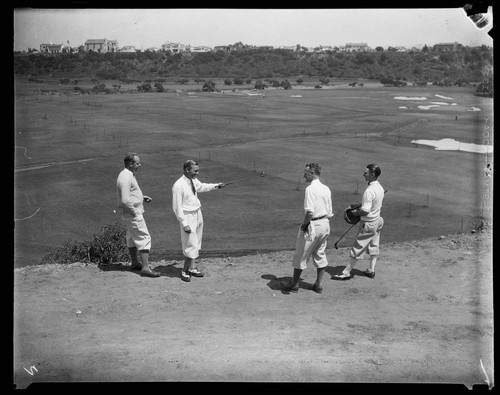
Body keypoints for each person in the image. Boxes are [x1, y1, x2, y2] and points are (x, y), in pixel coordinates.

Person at [281, 163, 333, 294]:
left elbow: (309, 211)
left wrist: (304, 225)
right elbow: (330, 211)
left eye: (306, 172)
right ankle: (318, 285)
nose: (304, 175)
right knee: (320, 253)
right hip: (325, 223)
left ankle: (294, 285)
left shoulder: (310, 189)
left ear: (312, 173)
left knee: (301, 254)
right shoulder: (326, 188)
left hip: (313, 225)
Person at [172, 160, 225, 282]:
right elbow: (176, 207)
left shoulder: (193, 180)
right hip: (187, 216)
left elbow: (201, 187)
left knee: (197, 242)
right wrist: (184, 223)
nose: (197, 173)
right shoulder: (178, 185)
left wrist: (216, 186)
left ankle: (192, 267)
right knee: (190, 243)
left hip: (197, 212)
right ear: (187, 170)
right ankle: (185, 271)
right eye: (195, 170)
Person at [333, 164, 385, 280]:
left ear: (372, 175)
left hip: (368, 224)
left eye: (365, 173)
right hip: (378, 221)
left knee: (357, 248)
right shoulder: (380, 188)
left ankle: (346, 272)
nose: (363, 175)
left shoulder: (369, 191)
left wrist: (354, 213)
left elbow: (365, 210)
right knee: (374, 245)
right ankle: (371, 270)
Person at [116, 153, 159, 277]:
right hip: (132, 213)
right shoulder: (126, 177)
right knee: (144, 237)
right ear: (130, 164)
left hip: (129, 212)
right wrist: (134, 212)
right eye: (137, 163)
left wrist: (141, 198)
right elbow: (124, 200)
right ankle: (145, 268)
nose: (140, 165)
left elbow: (129, 194)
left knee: (131, 237)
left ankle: (135, 262)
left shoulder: (125, 175)